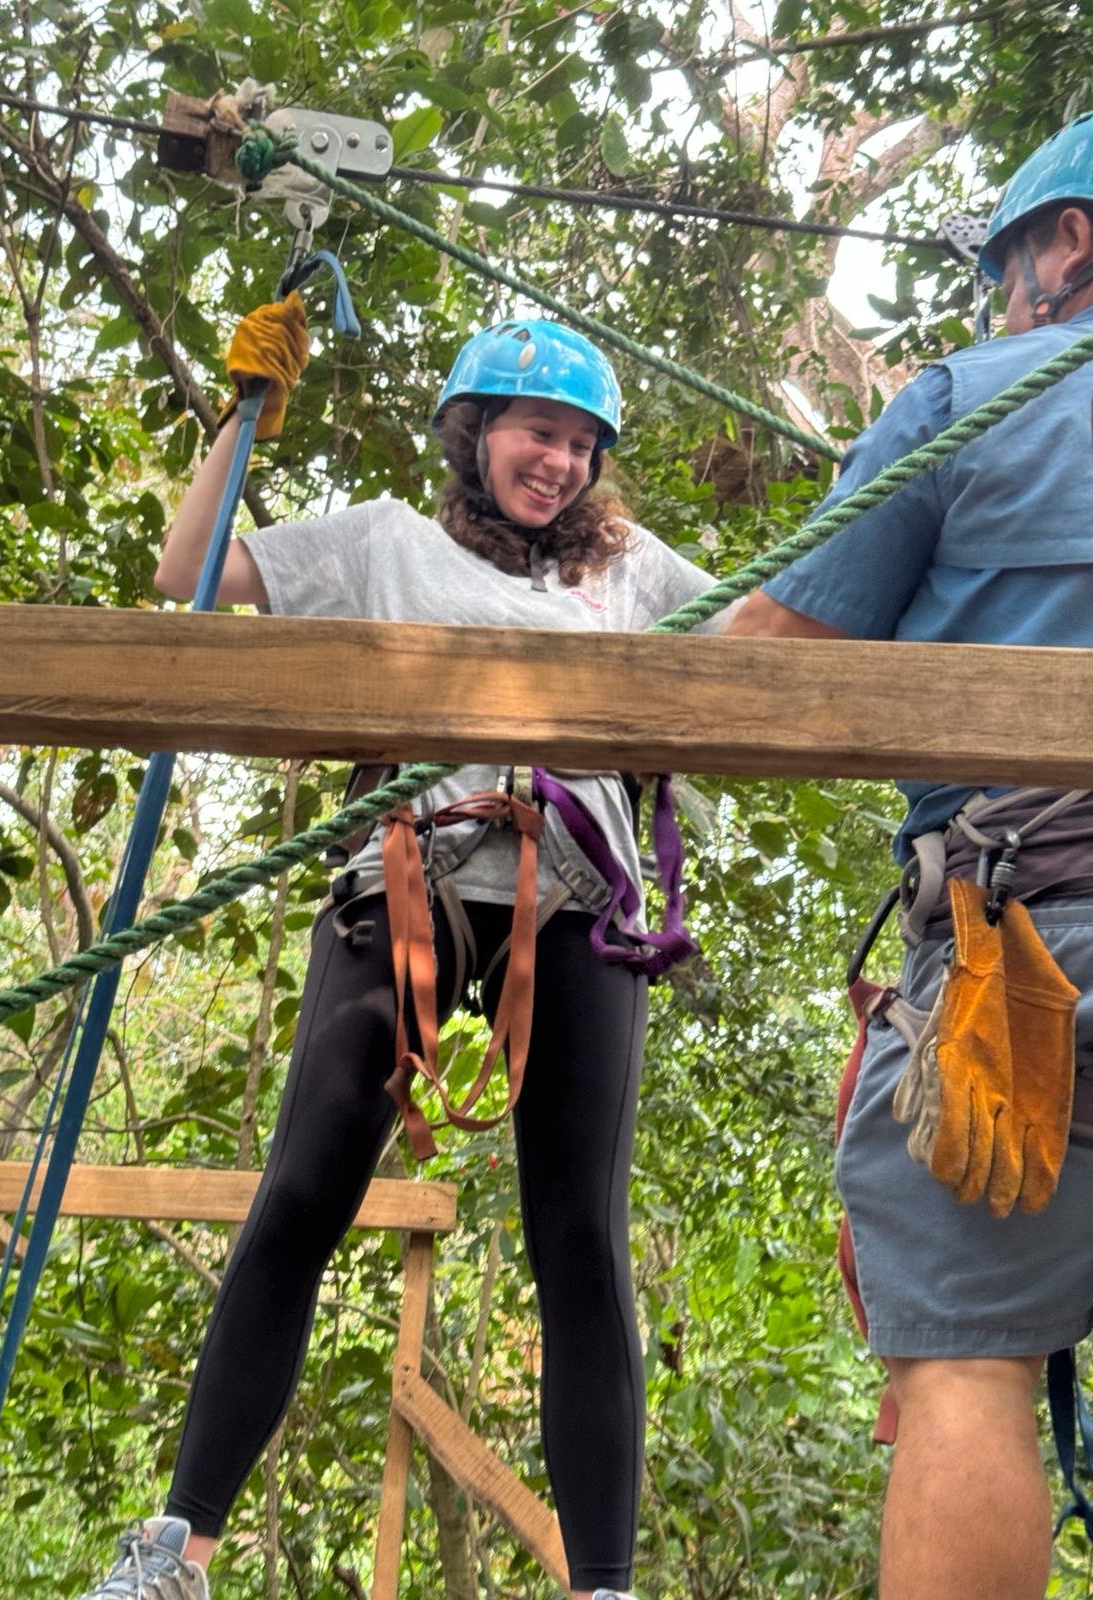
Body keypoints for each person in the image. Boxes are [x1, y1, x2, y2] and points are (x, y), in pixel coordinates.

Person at [78, 310, 725, 1600]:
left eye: (583, 444)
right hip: (411, 878)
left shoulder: (632, 573)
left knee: (580, 1238)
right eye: (539, 432)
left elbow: (758, 654)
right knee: (305, 1191)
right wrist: (240, 412)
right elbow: (187, 570)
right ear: (475, 432)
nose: (561, 463)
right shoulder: (385, 542)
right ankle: (176, 1553)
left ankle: (604, 1584)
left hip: (577, 896)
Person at [725, 115, 1093, 1600]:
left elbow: (754, 672)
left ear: (1064, 244)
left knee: (967, 1365)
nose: (1007, 296)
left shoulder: (972, 400)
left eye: (1011, 266)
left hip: (1028, 948)